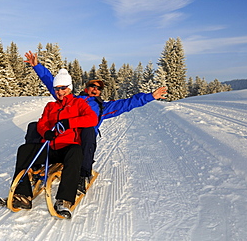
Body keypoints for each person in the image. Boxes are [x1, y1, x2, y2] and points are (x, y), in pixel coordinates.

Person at [24, 51, 167, 194]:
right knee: (34, 126)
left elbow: (127, 103)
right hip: (66, 134)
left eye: (99, 88)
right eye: (93, 86)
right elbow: (53, 82)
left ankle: (83, 173)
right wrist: (37, 66)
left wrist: (150, 96)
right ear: (86, 88)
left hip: (82, 139)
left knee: (89, 130)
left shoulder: (102, 107)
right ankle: (34, 164)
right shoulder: (72, 99)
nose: (95, 89)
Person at [0, 69, 98, 219]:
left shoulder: (78, 104)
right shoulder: (50, 106)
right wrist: (45, 132)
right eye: (57, 89)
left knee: (76, 150)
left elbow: (92, 119)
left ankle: (64, 200)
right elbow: (41, 123)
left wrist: (69, 122)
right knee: (24, 150)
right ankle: (23, 194)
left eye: (63, 88)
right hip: (50, 147)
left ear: (69, 88)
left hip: (67, 148)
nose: (60, 92)